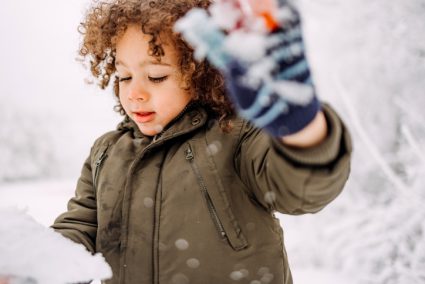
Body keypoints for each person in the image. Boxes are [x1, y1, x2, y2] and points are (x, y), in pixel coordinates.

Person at [52, 0, 352, 283]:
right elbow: (80, 231)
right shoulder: (107, 152)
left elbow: (302, 188)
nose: (134, 93)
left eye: (156, 76)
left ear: (201, 74)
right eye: (124, 76)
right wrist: (36, 270)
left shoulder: (236, 137)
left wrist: (301, 128)